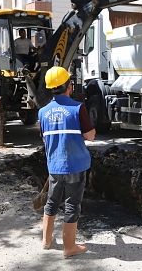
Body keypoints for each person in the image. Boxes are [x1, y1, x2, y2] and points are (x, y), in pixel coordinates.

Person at [38, 66, 95, 258]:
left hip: (54, 165)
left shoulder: (42, 112)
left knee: (52, 201)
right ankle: (69, 247)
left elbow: (45, 139)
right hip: (76, 165)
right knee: (72, 204)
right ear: (69, 86)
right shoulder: (77, 108)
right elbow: (90, 136)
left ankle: (46, 240)